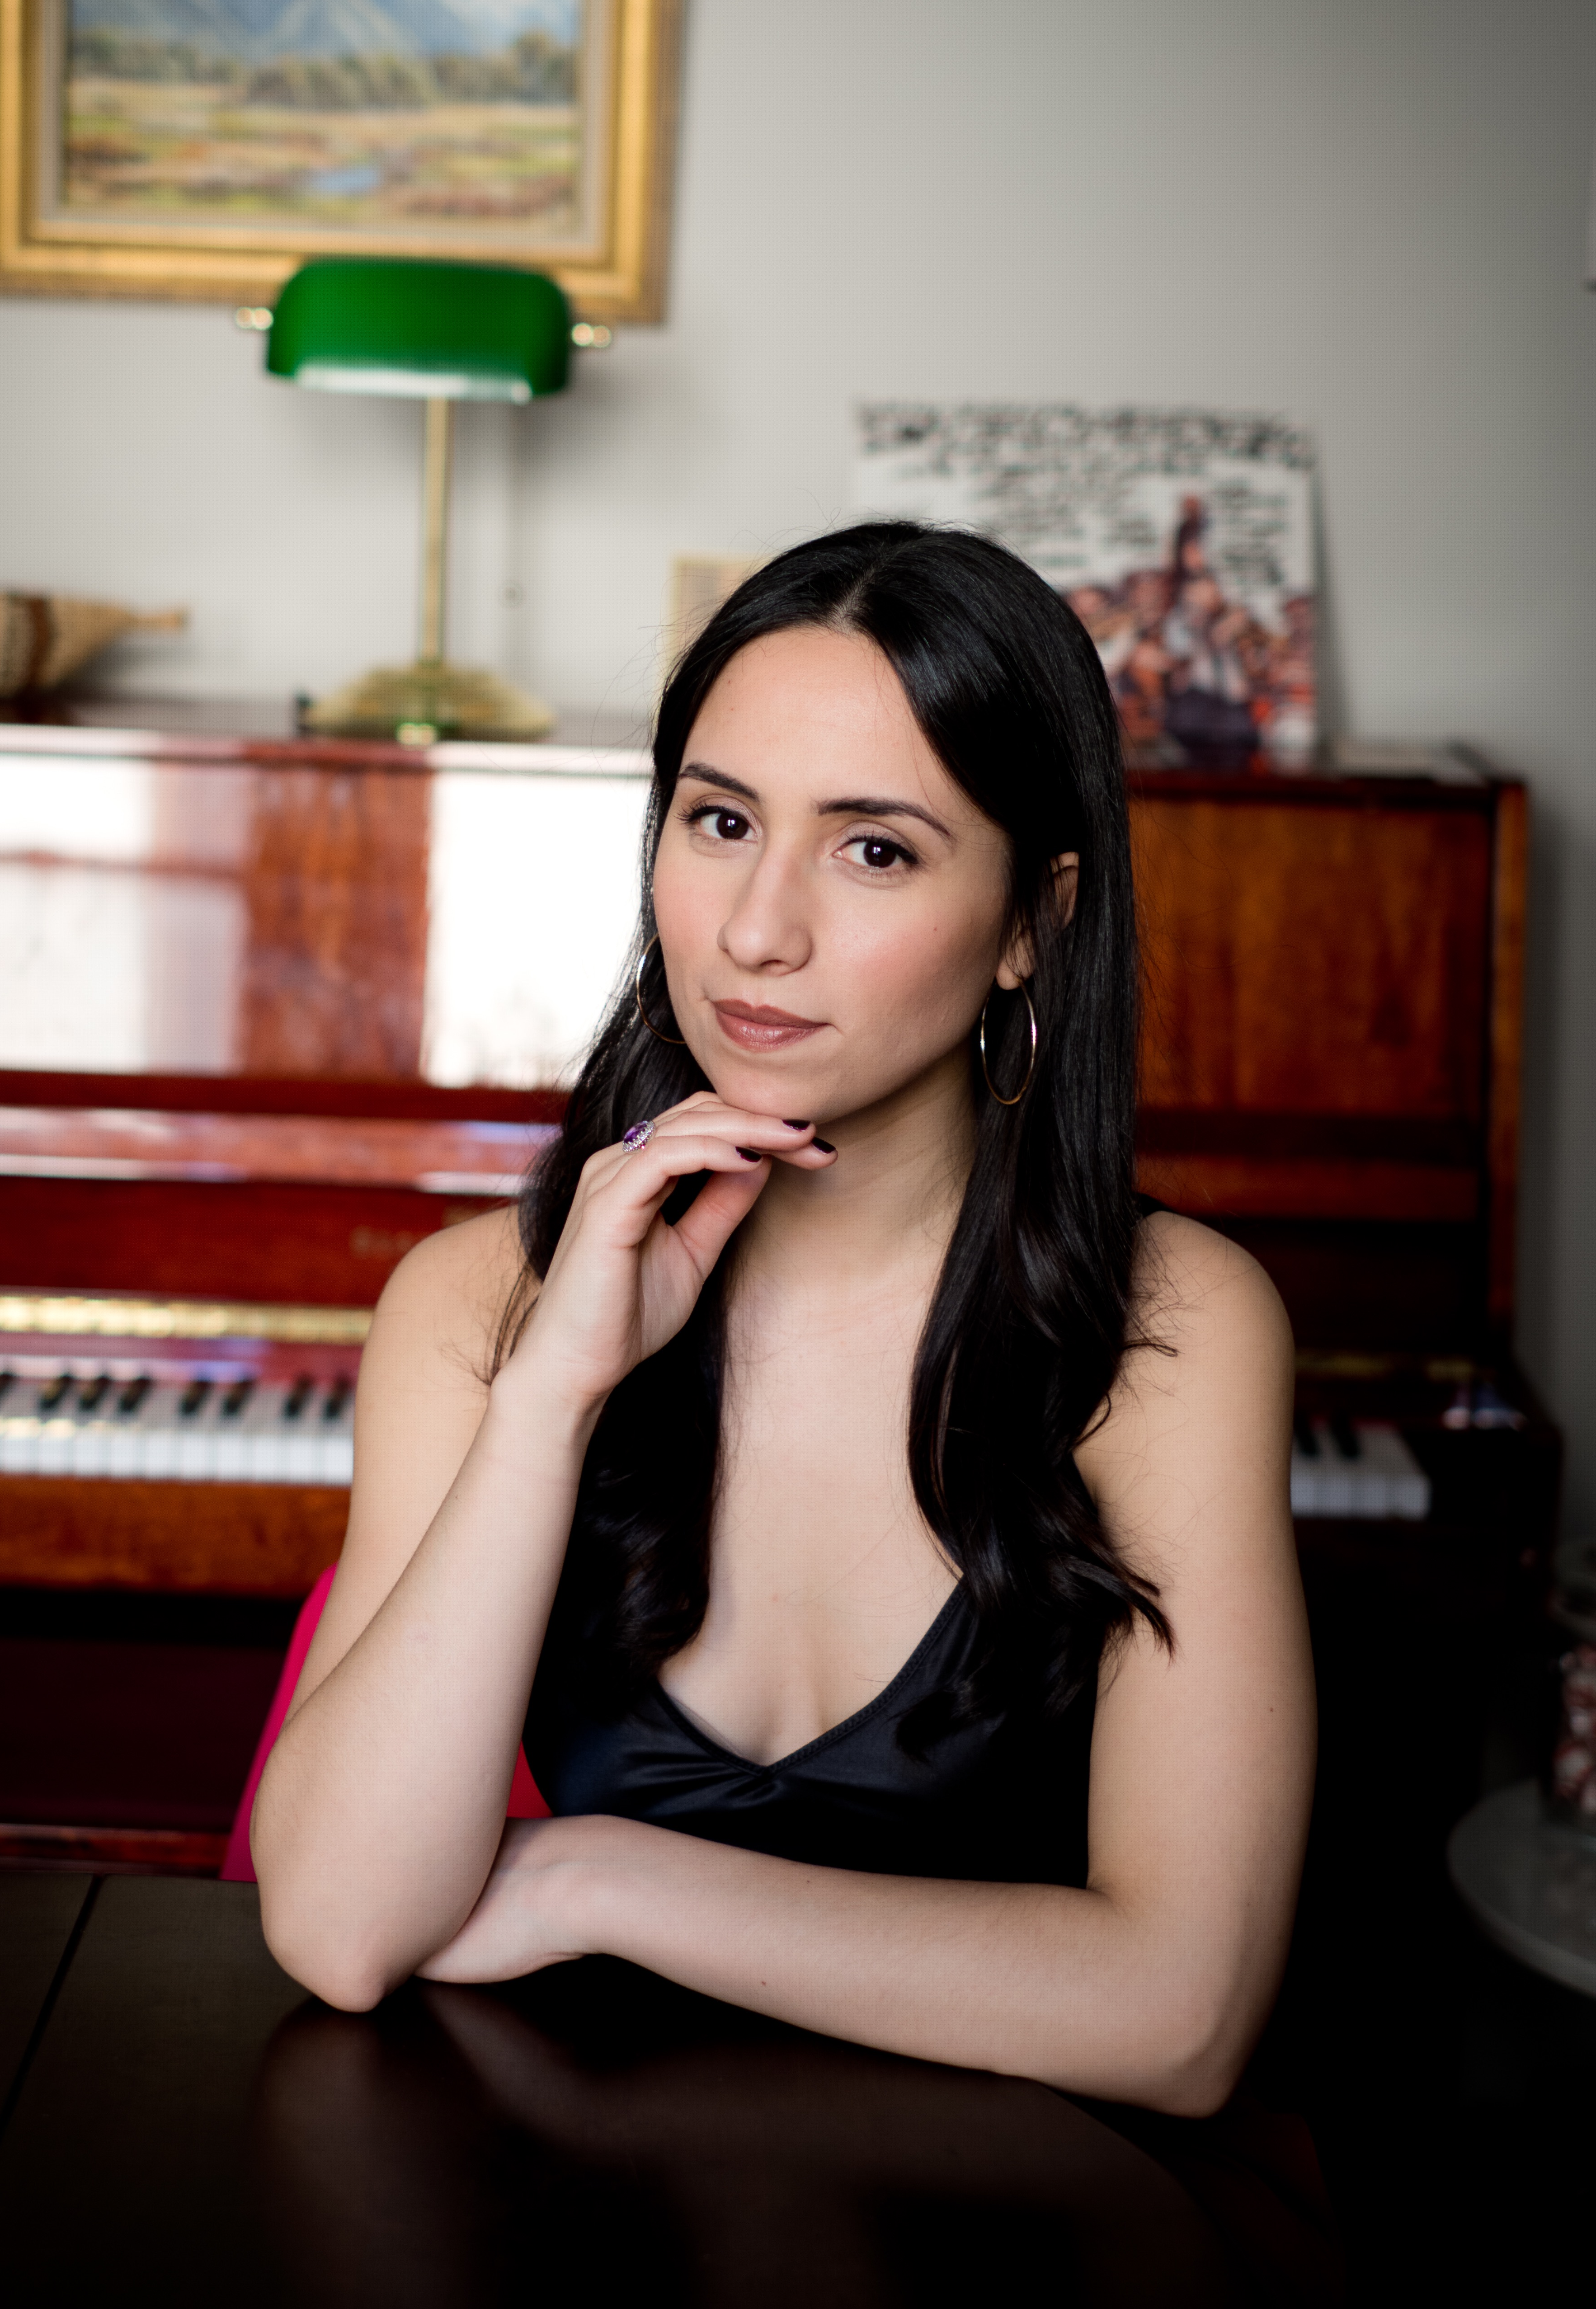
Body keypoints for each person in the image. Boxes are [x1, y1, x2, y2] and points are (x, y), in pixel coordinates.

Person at [252, 521, 1314, 2121]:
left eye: (873, 850)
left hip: (1012, 2209)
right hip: (588, 2194)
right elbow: (342, 1931)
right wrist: (553, 1394)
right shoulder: (474, 1304)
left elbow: (1182, 2014)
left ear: (1032, 920)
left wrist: (598, 1879)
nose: (757, 930)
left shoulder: (1175, 1330)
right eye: (722, 820)